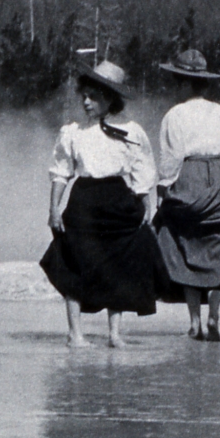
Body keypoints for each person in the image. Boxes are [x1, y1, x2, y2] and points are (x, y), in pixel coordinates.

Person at [39, 60, 164, 348]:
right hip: (84, 201)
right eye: (83, 95)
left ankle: (115, 334)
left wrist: (149, 205)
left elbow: (144, 171)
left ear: (110, 98)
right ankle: (75, 333)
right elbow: (60, 173)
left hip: (119, 202)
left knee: (118, 265)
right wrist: (53, 208)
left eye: (92, 97)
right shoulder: (73, 132)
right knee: (74, 262)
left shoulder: (132, 131)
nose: (85, 102)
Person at [155, 49, 220, 342]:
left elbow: (171, 158)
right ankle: (214, 316)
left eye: (176, 81)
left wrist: (164, 188)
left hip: (190, 176)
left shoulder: (175, 115)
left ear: (185, 84)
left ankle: (195, 322)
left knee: (187, 246)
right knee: (218, 245)